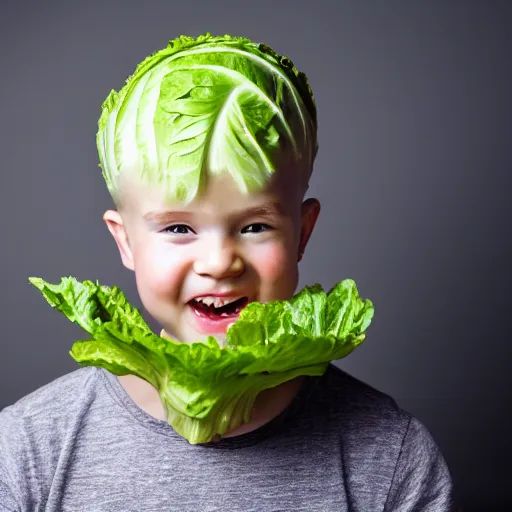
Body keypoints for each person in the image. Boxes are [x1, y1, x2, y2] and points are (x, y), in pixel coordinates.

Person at [0, 33, 457, 511]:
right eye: (178, 228)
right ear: (126, 240)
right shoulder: (32, 450)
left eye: (255, 226)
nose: (219, 263)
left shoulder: (390, 459)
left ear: (302, 234)